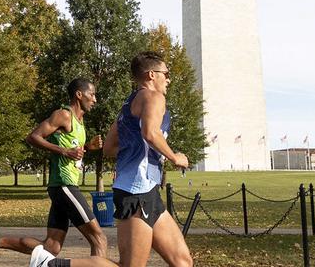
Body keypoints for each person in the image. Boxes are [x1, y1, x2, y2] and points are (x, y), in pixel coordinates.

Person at [27, 52, 193, 267]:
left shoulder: (127, 106)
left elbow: (110, 148)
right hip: (137, 192)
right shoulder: (154, 97)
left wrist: (138, 152)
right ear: (152, 75)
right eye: (166, 74)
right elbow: (151, 133)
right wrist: (174, 157)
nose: (168, 79)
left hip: (145, 190)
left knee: (183, 261)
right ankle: (49, 264)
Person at [0, 79, 106, 264]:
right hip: (65, 186)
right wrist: (65, 151)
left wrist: (87, 147)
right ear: (79, 95)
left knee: (51, 247)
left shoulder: (80, 122)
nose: (95, 99)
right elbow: (33, 137)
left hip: (62, 187)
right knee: (99, 238)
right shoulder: (64, 115)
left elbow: (73, 152)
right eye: (92, 94)